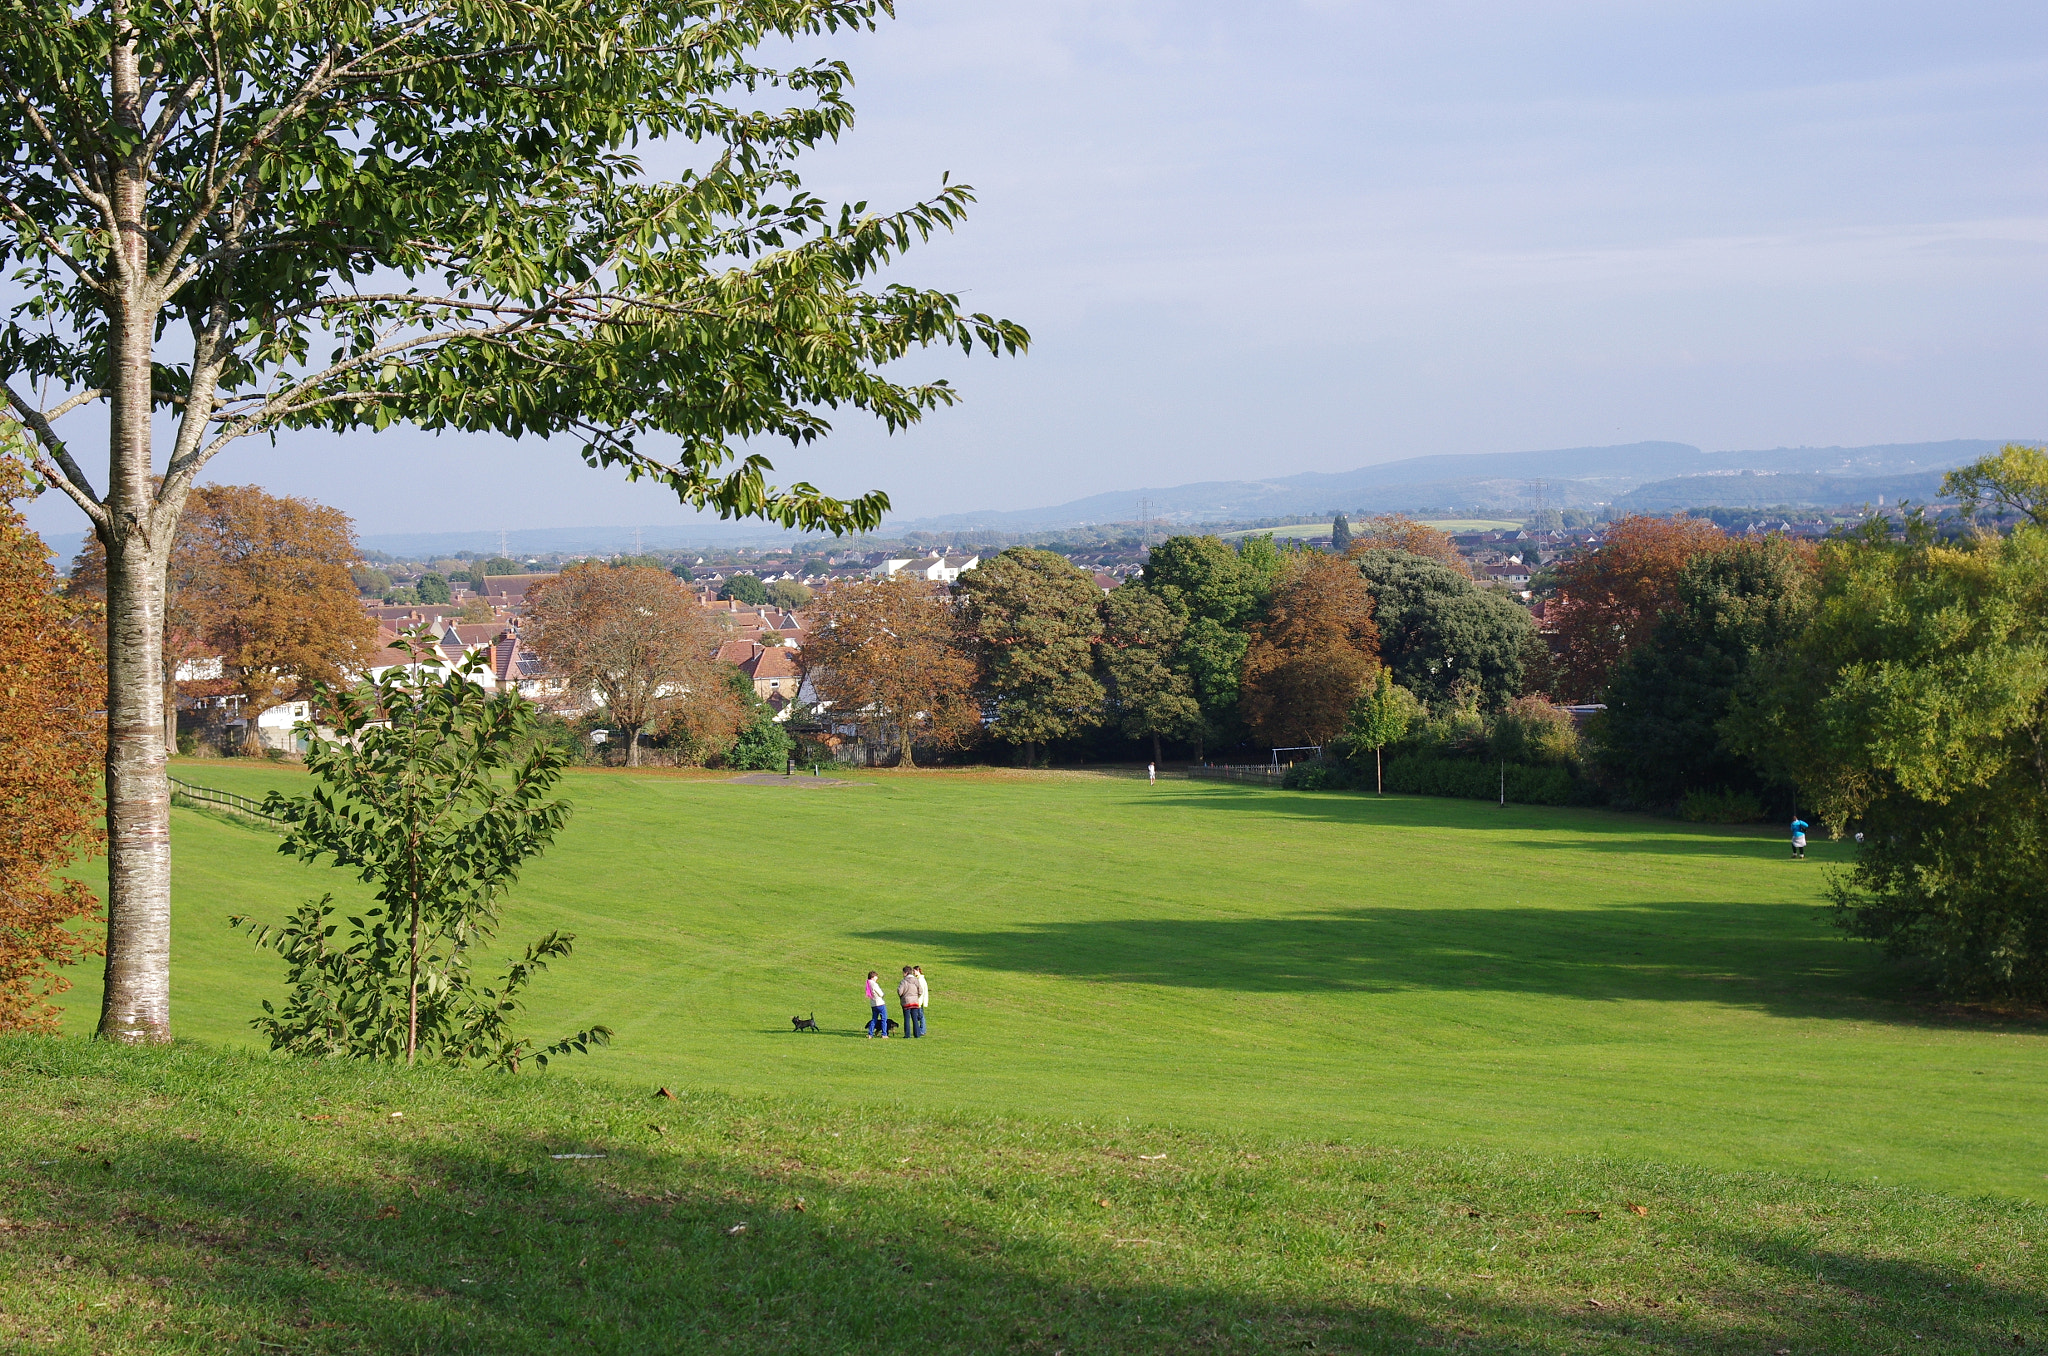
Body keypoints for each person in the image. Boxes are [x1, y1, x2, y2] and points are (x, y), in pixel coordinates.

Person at [898, 965, 924, 1039]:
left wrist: (902, 997)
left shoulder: (904, 981)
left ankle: (907, 1034)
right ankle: (917, 1034)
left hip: (906, 1002)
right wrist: (916, 996)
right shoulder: (916, 980)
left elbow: (900, 991)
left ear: (905, 973)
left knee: (907, 1018)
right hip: (915, 1001)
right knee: (915, 1018)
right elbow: (920, 991)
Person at [865, 971, 889, 1038]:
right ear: (873, 977)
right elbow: (880, 994)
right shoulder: (874, 984)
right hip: (879, 1003)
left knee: (874, 1019)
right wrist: (883, 994)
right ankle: (884, 1034)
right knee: (884, 1019)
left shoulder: (868, 984)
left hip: (873, 1004)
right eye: (876, 976)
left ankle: (870, 1033)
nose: (877, 978)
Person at [912, 965, 929, 1036]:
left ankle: (922, 1030)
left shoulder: (920, 980)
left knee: (920, 1015)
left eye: (914, 971)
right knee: (920, 1015)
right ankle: (921, 1029)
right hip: (919, 1000)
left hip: (919, 1000)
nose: (913, 972)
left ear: (918, 971)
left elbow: (920, 991)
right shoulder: (919, 979)